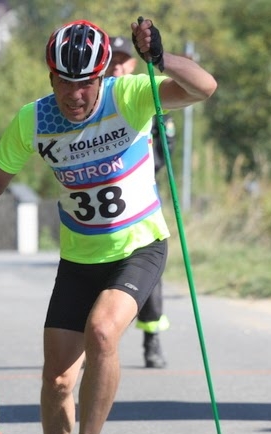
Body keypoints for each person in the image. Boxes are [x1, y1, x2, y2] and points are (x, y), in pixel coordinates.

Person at [0, 18, 217, 434]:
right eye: (66, 83)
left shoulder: (130, 95)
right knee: (56, 379)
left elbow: (204, 87)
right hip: (80, 256)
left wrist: (163, 58)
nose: (77, 95)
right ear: (51, 77)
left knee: (102, 332)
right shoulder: (34, 119)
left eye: (88, 83)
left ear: (102, 76)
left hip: (138, 246)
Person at [107, 34, 175, 369]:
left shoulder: (145, 93)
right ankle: (99, 343)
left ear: (132, 63)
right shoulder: (94, 99)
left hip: (140, 192)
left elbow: (165, 150)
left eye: (123, 59)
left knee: (148, 268)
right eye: (113, 60)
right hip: (100, 199)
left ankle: (152, 339)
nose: (118, 65)